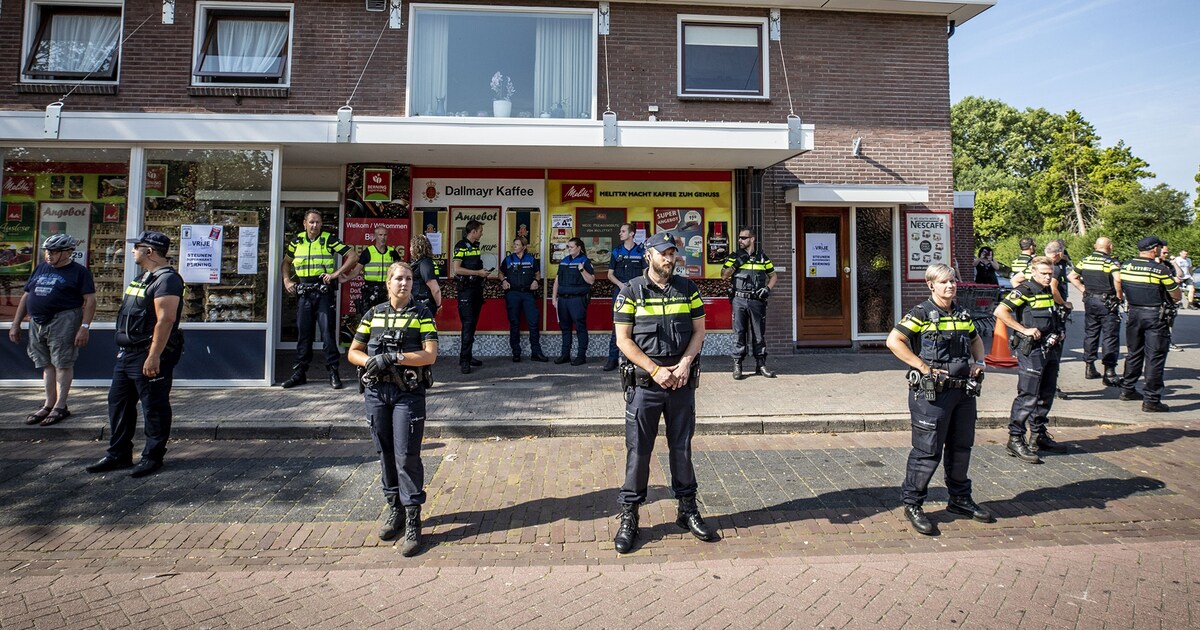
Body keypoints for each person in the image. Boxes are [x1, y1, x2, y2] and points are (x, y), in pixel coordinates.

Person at [612, 231, 715, 553]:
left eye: (672, 253)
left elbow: (699, 331)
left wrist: (685, 364)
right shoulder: (631, 291)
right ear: (649, 255)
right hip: (646, 384)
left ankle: (687, 509)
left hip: (681, 382)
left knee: (681, 449)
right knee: (639, 452)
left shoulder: (688, 289)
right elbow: (623, 340)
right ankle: (630, 516)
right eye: (663, 253)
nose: (670, 259)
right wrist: (655, 370)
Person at [885, 263, 991, 535]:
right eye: (944, 282)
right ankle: (913, 504)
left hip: (962, 392)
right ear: (931, 285)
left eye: (953, 281)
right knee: (927, 451)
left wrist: (979, 362)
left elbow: (976, 338)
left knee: (961, 447)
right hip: (932, 394)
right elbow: (894, 341)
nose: (950, 286)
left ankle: (959, 500)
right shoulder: (921, 313)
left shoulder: (962, 314)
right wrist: (922, 367)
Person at [347, 262, 438, 557]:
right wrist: (370, 362)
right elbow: (353, 351)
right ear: (388, 283)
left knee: (406, 455)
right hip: (376, 393)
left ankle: (413, 518)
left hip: (407, 394)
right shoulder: (373, 314)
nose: (405, 283)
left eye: (409, 279)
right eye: (399, 278)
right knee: (384, 452)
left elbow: (429, 355)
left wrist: (395, 357)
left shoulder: (422, 313)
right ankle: (394, 510)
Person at [85, 231, 184, 478]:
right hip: (127, 354)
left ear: (149, 251)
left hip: (146, 353)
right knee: (118, 403)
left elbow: (166, 320)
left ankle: (152, 456)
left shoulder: (167, 280)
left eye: (136, 247)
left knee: (154, 406)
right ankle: (118, 454)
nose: (132, 251)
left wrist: (154, 356)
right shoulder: (143, 278)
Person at [8, 234, 96, 426]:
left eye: (54, 252)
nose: (49, 255)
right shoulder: (41, 268)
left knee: (62, 363)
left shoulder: (79, 272)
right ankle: (48, 404)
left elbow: (90, 300)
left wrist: (84, 327)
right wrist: (16, 323)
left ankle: (61, 405)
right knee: (46, 364)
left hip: (64, 320)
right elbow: (26, 295)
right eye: (47, 251)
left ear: (67, 253)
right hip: (37, 321)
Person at [993, 257, 1067, 464]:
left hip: (1049, 347)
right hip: (1031, 349)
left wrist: (1058, 331)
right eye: (1043, 273)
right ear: (1033, 272)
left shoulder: (1047, 290)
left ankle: (1038, 435)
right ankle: (1015, 438)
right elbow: (1000, 311)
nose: (1047, 277)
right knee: (1028, 395)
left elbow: (1050, 315)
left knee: (1047, 392)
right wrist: (1023, 329)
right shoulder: (1025, 290)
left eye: (1050, 273)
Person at [281, 211, 358, 389]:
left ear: (321, 224)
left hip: (323, 292)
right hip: (304, 292)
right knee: (304, 334)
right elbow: (286, 262)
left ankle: (333, 371)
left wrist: (335, 274)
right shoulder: (297, 241)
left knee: (327, 334)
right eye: (311, 222)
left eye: (317, 222)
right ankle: (300, 372)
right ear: (304, 223)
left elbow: (353, 255)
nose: (314, 225)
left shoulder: (328, 239)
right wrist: (286, 280)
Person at [1118, 236, 1181, 412]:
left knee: (1134, 353)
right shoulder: (1160, 270)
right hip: (1155, 316)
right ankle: (1151, 400)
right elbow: (1177, 296)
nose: (1162, 250)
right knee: (1155, 357)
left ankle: (1127, 389)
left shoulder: (1126, 265)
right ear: (1154, 249)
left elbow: (1119, 284)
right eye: (1161, 247)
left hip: (1134, 314)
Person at [721, 228, 778, 380]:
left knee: (759, 334)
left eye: (743, 238)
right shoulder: (735, 256)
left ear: (752, 239)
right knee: (739, 333)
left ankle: (761, 365)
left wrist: (767, 288)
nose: (740, 240)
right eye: (739, 238)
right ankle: (737, 366)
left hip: (757, 301)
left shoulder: (762, 257)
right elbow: (723, 276)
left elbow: (773, 276)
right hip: (739, 299)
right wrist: (736, 264)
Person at [1069, 237, 1123, 385]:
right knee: (1110, 336)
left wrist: (1083, 290)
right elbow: (1117, 279)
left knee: (1091, 333)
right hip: (1107, 301)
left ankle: (1089, 366)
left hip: (1090, 300)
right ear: (1110, 246)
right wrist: (1119, 296)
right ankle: (1109, 371)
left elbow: (1071, 276)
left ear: (1095, 246)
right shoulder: (1110, 262)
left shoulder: (1085, 260)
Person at [451, 220, 491, 374]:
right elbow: (457, 269)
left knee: (472, 325)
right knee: (467, 325)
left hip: (476, 290)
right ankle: (465, 362)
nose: (482, 233)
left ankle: (466, 356)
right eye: (480, 230)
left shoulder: (475, 246)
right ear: (473, 231)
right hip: (466, 291)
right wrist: (477, 273)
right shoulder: (461, 246)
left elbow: (474, 266)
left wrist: (482, 272)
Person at [604, 224, 645, 371]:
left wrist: (636, 285)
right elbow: (610, 274)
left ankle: (635, 359)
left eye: (623, 231)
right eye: (620, 231)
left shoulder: (641, 252)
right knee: (617, 325)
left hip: (637, 292)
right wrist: (621, 286)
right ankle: (612, 359)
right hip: (620, 292)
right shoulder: (616, 252)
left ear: (632, 233)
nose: (620, 233)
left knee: (638, 325)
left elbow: (645, 273)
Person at [499, 236, 547, 362]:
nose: (514, 246)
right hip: (513, 294)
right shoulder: (508, 259)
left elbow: (537, 273)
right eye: (514, 244)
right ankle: (516, 352)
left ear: (524, 247)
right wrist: (503, 281)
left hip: (527, 294)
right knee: (514, 323)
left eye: (517, 244)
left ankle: (536, 352)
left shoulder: (531, 259)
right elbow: (500, 272)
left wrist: (536, 281)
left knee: (533, 323)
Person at [552, 237, 595, 365]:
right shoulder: (564, 261)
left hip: (577, 300)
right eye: (568, 247)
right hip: (563, 300)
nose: (569, 249)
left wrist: (581, 269)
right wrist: (554, 298)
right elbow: (557, 281)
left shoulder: (585, 261)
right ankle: (565, 354)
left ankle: (581, 356)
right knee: (565, 328)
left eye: (571, 247)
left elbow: (591, 280)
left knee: (580, 328)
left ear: (578, 248)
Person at [353, 226, 400, 315]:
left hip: (387, 289)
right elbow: (356, 270)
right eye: (380, 235)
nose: (383, 237)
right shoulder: (368, 252)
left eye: (385, 235)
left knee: (387, 317)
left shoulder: (392, 252)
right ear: (375, 236)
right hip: (370, 289)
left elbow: (401, 269)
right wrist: (344, 277)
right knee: (369, 317)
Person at [408, 233, 442, 316]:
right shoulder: (424, 262)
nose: (410, 249)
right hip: (420, 304)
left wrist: (439, 305)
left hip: (424, 304)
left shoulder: (424, 264)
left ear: (416, 248)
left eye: (411, 246)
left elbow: (435, 289)